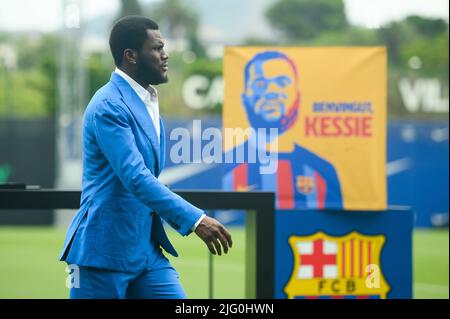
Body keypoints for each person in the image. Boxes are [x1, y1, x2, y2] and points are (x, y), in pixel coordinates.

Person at [59, 16, 232, 299]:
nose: (165, 55)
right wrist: (196, 220)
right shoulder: (107, 106)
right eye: (157, 48)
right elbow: (136, 177)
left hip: (146, 252)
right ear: (131, 56)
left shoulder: (147, 100)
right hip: (103, 252)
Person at [223, 51, 342, 209]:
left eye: (282, 82)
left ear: (297, 96)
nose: (271, 91)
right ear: (244, 98)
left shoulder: (322, 170)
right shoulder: (227, 167)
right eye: (260, 84)